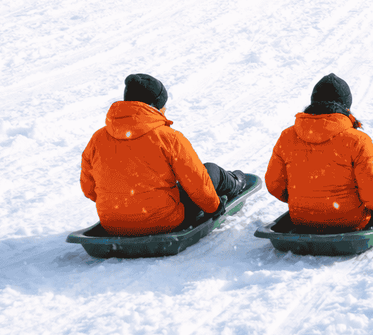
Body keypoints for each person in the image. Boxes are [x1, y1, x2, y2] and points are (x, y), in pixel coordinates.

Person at [79, 74, 248, 235]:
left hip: (113, 224)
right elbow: (197, 182)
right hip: (164, 223)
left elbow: (89, 189)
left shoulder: (98, 138)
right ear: (154, 106)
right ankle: (236, 183)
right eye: (163, 106)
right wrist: (214, 207)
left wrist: (122, 207)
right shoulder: (168, 137)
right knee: (210, 170)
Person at [265, 73, 373, 231]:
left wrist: (306, 200)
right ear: (346, 106)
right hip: (351, 221)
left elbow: (274, 185)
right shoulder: (357, 140)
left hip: (302, 219)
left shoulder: (287, 137)